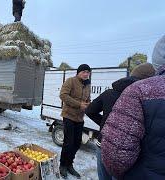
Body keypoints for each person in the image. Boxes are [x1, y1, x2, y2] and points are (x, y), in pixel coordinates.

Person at [101, 35, 165, 179]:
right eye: (84, 72)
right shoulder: (135, 92)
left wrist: (102, 126)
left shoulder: (139, 91)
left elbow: (116, 156)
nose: (86, 74)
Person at [85, 63, 155, 180]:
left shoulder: (109, 93)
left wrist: (106, 124)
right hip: (129, 152)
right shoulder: (145, 99)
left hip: (103, 143)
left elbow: (89, 110)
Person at [59, 64, 91, 179]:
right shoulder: (71, 81)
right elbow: (63, 95)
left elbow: (87, 99)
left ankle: (69, 164)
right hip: (68, 116)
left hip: (79, 118)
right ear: (78, 72)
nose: (86, 74)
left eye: (88, 72)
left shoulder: (88, 85)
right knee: (68, 142)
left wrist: (88, 104)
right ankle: (62, 165)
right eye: (84, 71)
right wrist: (79, 104)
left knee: (77, 143)